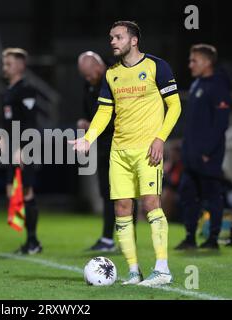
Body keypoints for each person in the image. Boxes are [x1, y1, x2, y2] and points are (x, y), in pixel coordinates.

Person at [69, 21, 181, 286]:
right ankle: (133, 271)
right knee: (121, 208)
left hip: (147, 150)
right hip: (119, 152)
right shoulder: (112, 74)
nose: (112, 41)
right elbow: (105, 111)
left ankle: (162, 269)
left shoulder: (157, 66)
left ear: (133, 40)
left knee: (151, 204)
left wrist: (160, 138)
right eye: (111, 37)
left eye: (118, 37)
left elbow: (174, 106)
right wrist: (88, 137)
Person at [175, 44, 231, 250]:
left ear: (207, 63)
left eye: (194, 61)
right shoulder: (197, 84)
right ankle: (190, 237)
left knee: (211, 196)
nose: (190, 65)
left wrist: (208, 151)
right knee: (188, 195)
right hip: (191, 155)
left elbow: (221, 123)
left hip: (208, 156)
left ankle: (212, 239)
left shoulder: (218, 86)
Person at [0, 48, 42, 254]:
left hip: (25, 147)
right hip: (11, 148)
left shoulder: (26, 89)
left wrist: (23, 148)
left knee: (26, 191)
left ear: (20, 65)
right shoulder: (8, 91)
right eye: (4, 64)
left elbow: (30, 122)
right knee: (12, 192)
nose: (4, 67)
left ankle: (33, 242)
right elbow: (8, 121)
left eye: (8, 64)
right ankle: (30, 241)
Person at [77, 51, 116, 251]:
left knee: (122, 193)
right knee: (106, 192)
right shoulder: (90, 85)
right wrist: (85, 122)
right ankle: (109, 238)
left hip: (118, 144)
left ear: (99, 67)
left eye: (90, 74)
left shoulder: (113, 79)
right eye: (85, 75)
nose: (88, 78)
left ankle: (118, 238)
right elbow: (89, 112)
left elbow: (117, 116)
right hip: (102, 145)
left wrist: (93, 125)